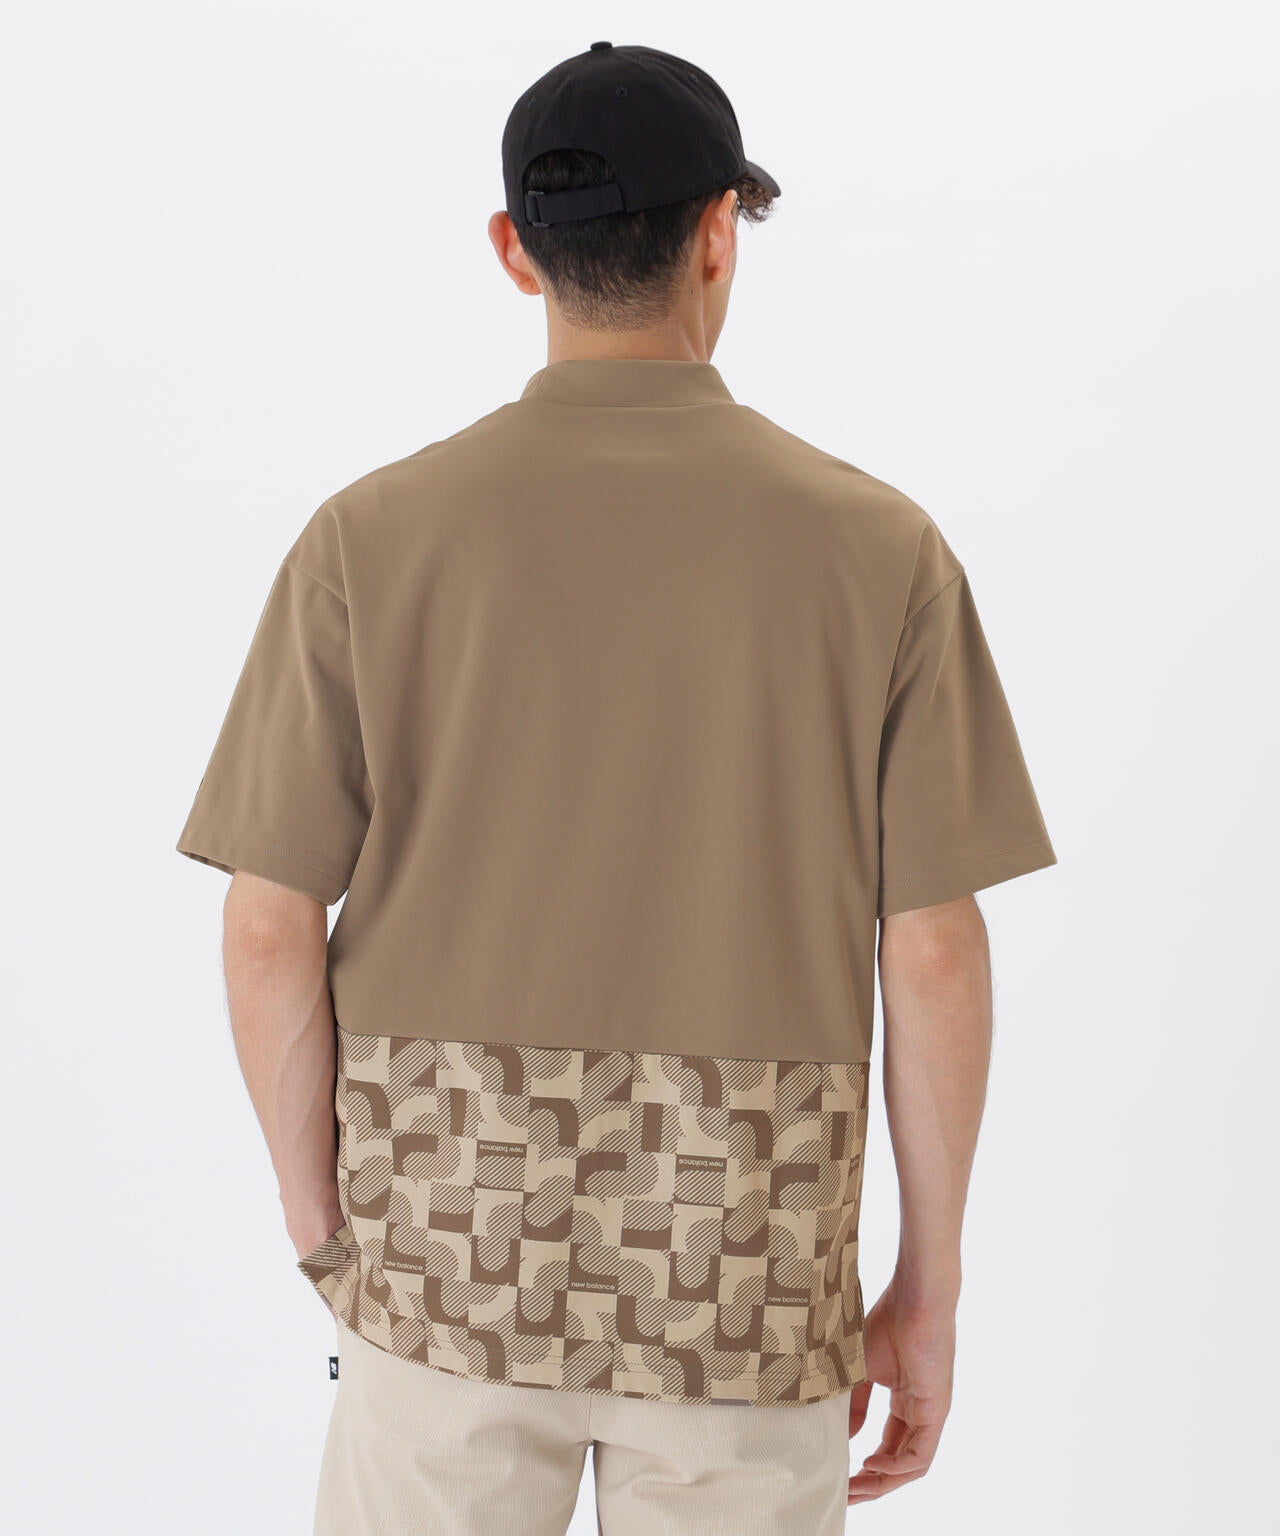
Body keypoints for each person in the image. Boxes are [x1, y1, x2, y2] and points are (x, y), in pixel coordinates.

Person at [176, 40, 1056, 1536]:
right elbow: (933, 950)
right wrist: (929, 1286)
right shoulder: (881, 552)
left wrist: (321, 1216)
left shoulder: (367, 540)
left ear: (515, 249)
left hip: (444, 1256)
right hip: (746, 1269)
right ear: (719, 233)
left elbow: (267, 926)